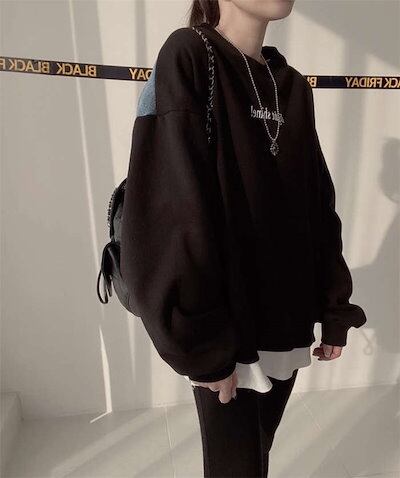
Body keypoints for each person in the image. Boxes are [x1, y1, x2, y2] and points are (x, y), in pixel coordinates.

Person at [120, 0, 367, 476]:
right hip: (226, 334)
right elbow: (170, 211)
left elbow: (317, 204)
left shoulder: (292, 86)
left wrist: (334, 307)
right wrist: (203, 347)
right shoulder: (189, 55)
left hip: (288, 327)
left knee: (257, 457)